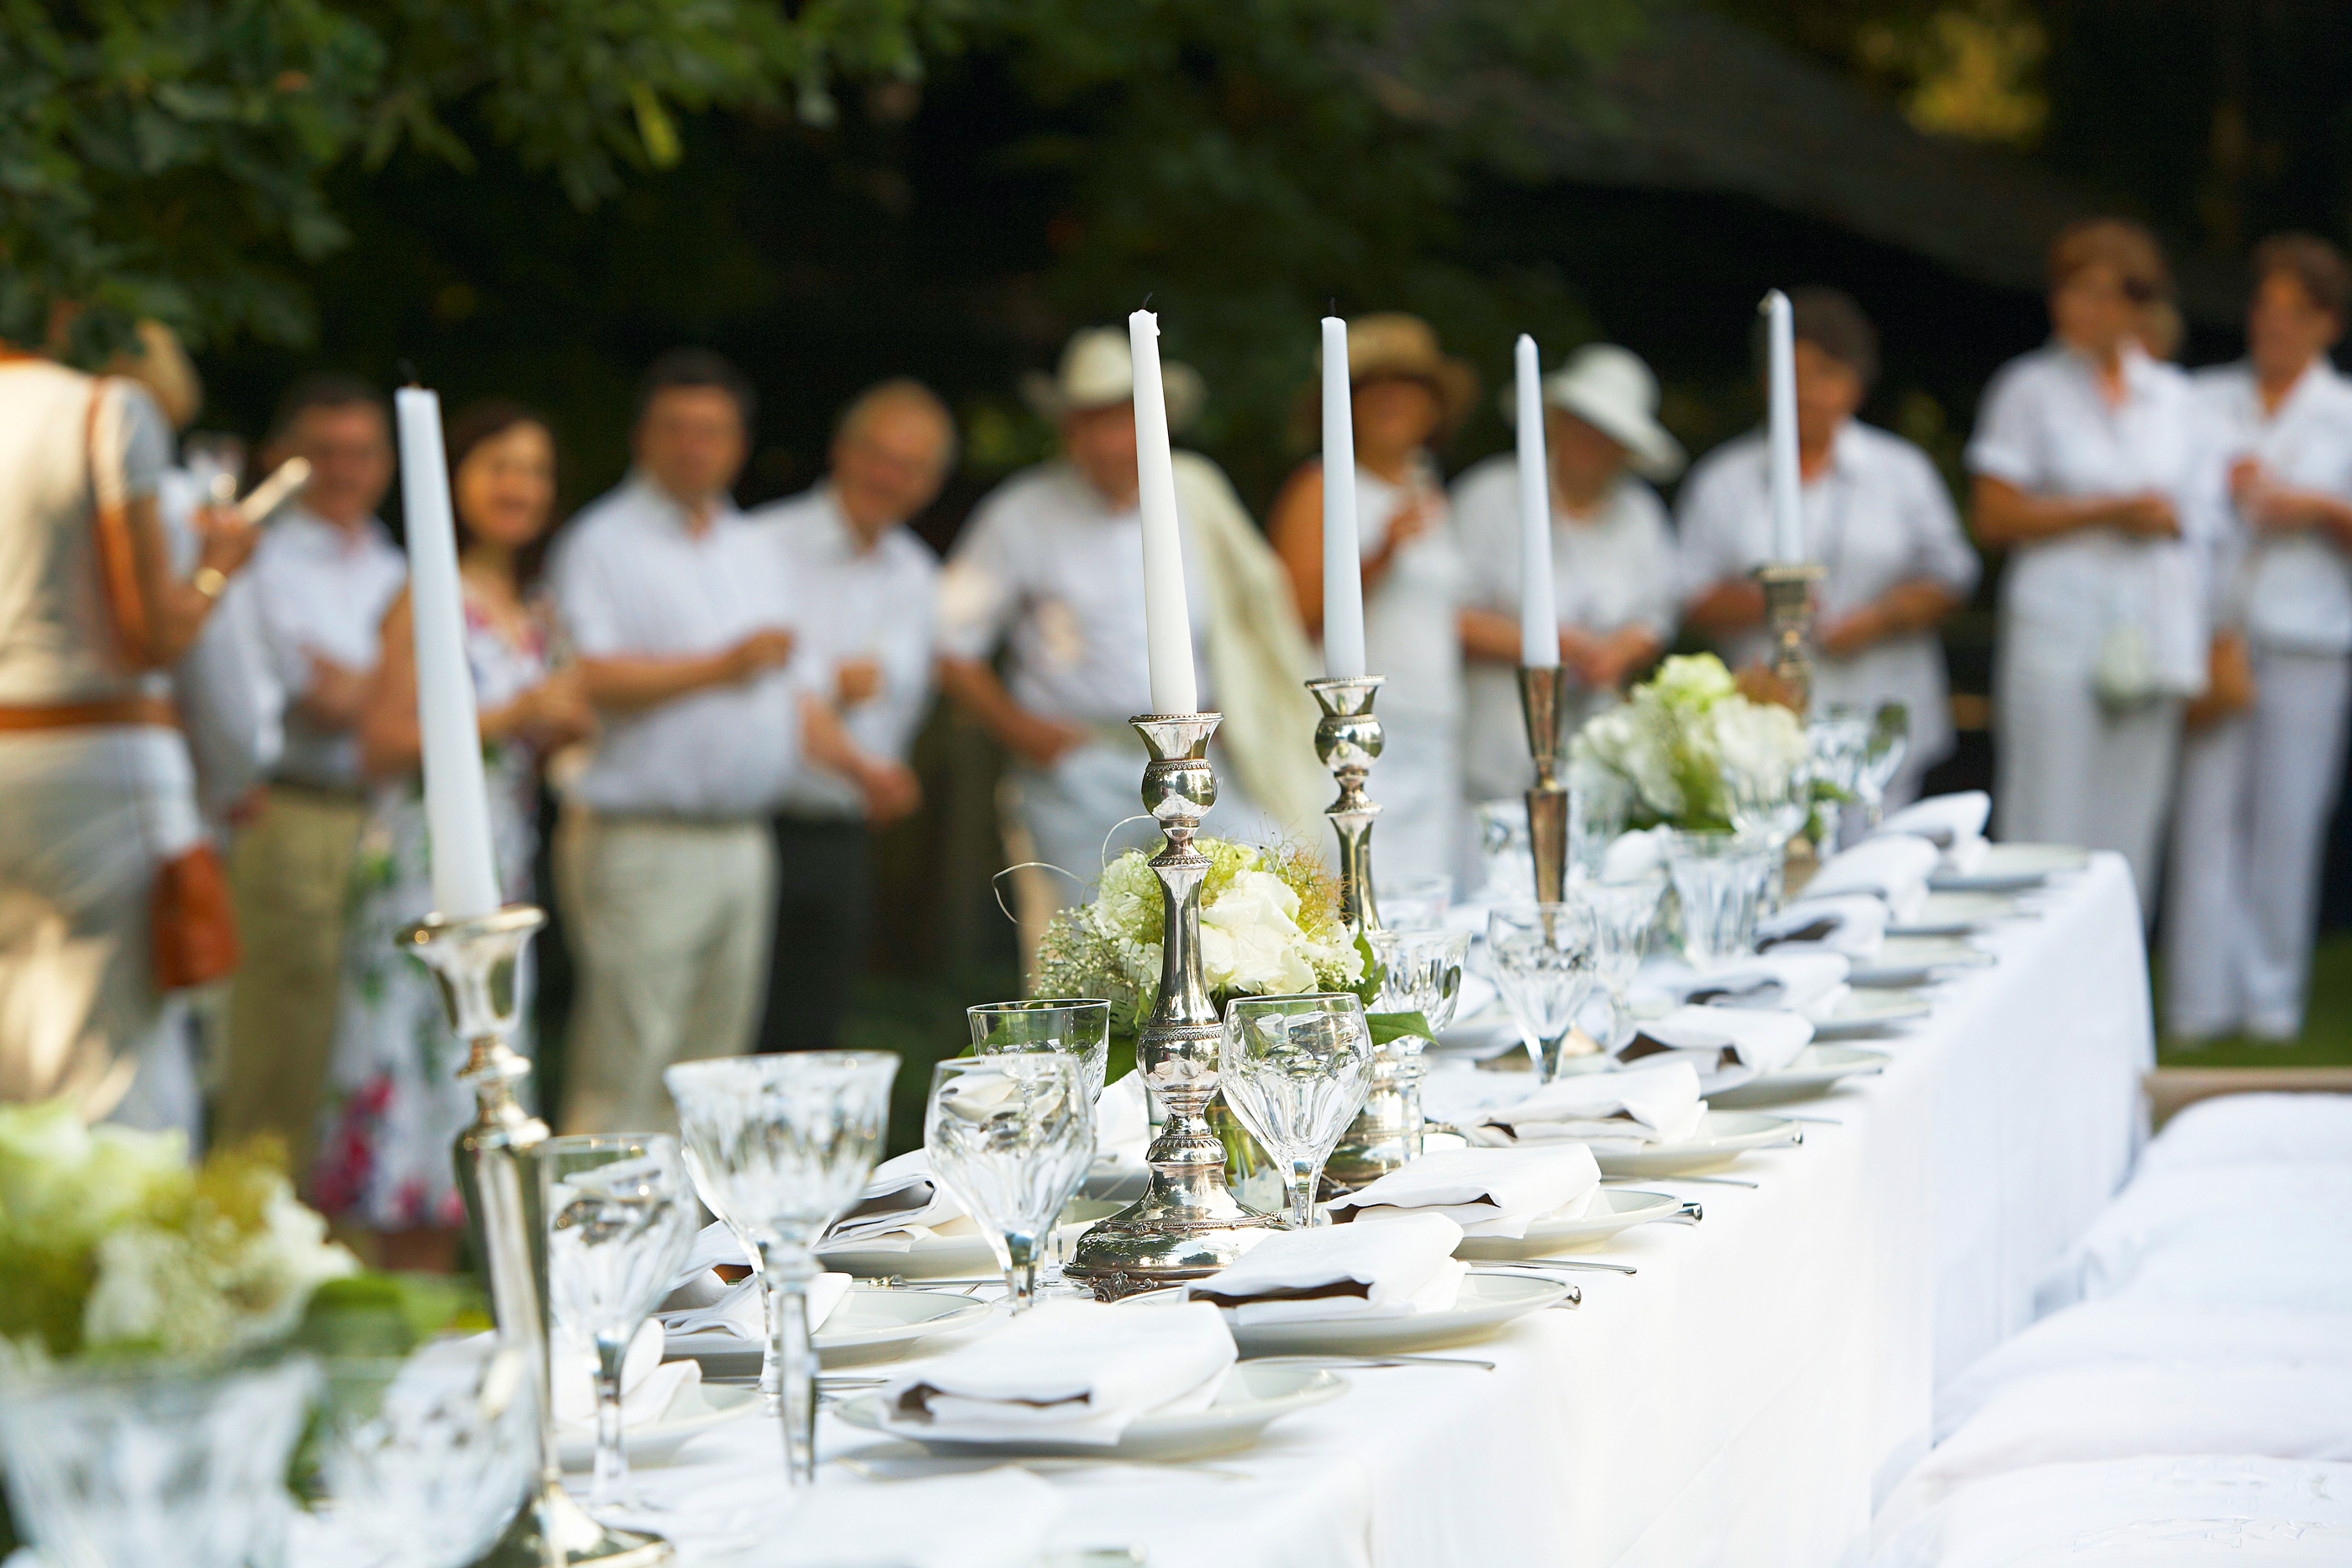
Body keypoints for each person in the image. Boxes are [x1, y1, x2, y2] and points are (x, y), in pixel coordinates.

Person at [550, 350, 913, 1134]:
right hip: (645, 839)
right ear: (642, 438)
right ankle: (597, 1248)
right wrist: (718, 666)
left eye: (711, 432)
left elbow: (793, 694)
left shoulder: (747, 546)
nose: (694, 447)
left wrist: (861, 770)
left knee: (715, 1073)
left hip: (744, 841)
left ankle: (691, 1250)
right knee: (630, 1057)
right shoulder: (600, 543)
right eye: (676, 429)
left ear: (737, 444)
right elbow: (584, 675)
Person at [313, 403, 593, 1268]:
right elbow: (381, 742)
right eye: (499, 466)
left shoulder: (532, 604)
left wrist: (553, 725)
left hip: (506, 856)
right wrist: (514, 713)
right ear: (458, 480)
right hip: (420, 860)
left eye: (536, 470)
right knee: (416, 1061)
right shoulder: (423, 597)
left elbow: (546, 728)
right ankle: (397, 1276)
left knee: (482, 1061)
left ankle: (466, 1278)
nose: (519, 487)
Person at [939, 328, 1323, 912]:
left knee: (1242, 921)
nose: (1112, 440)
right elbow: (949, 639)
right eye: (1092, 421)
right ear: (1068, 429)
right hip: (1076, 767)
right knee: (1087, 943)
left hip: (1197, 764)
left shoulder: (1195, 495)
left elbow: (1256, 621)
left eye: (1125, 419)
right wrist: (1021, 731)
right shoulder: (1019, 512)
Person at [0, 329, 259, 1123]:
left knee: (15, 1043)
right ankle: (128, 1242)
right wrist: (219, 563)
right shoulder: (106, 411)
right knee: (122, 1066)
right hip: (98, 758)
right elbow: (151, 632)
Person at [1966, 220, 2223, 908]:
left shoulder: (2175, 398)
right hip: (2055, 629)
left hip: (2148, 633)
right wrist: (2102, 511)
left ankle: (2111, 993)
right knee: (2045, 813)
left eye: (2102, 295)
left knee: (2130, 822)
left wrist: (2164, 520)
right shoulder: (2026, 389)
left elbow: (2205, 518)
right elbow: (1992, 515)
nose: (2082, 310)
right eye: (2072, 291)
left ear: (2137, 305)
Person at [1681, 288, 1979, 808]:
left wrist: (1880, 618)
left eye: (1823, 374)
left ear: (1856, 384)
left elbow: (1952, 574)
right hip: (1760, 728)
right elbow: (1684, 592)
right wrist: (1768, 604)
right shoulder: (1724, 479)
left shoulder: (1900, 470)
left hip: (1882, 711)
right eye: (1789, 375)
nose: (1805, 392)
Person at [215, 375, 407, 1180]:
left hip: (385, 821)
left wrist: (371, 684)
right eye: (322, 453)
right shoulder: (260, 558)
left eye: (360, 452)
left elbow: (367, 693)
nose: (343, 470)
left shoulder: (393, 559)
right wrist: (398, 682)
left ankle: (337, 1251)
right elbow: (327, 704)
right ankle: (249, 1240)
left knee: (360, 1048)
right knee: (281, 1044)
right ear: (281, 459)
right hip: (295, 813)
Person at [2165, 234, 2352, 1043]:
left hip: (2309, 638)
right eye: (2262, 309)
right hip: (2213, 635)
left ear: (2325, 325)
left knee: (2286, 821)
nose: (2271, 327)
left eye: (2292, 313)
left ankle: (2270, 1001)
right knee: (2203, 819)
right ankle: (2196, 1000)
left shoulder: (2342, 414)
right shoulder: (2201, 399)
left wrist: (2313, 508)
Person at [748, 380, 950, 1054]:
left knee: (817, 1031)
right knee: (739, 1027)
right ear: (841, 451)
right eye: (877, 455)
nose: (889, 477)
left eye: (912, 466)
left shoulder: (917, 573)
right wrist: (829, 684)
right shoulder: (759, 544)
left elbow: (907, 701)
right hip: (753, 823)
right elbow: (760, 684)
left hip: (846, 830)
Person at [1268, 313, 1478, 883]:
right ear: (1346, 405)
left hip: (1433, 726)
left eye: (1406, 388)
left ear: (1432, 407)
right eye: (1374, 389)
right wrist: (1380, 552)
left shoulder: (1427, 487)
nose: (1391, 401)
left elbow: (1442, 616)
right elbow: (1294, 615)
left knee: (1426, 890)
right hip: (1353, 732)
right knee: (1354, 887)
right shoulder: (1318, 486)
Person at [1453, 344, 1685, 802]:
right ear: (1554, 420)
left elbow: (1658, 614)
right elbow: (1450, 616)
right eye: (1581, 424)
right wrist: (1559, 647)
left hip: (1598, 752)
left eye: (1607, 433)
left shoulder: (1641, 514)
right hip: (1493, 749)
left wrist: (1617, 652)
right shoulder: (1488, 496)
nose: (1591, 442)